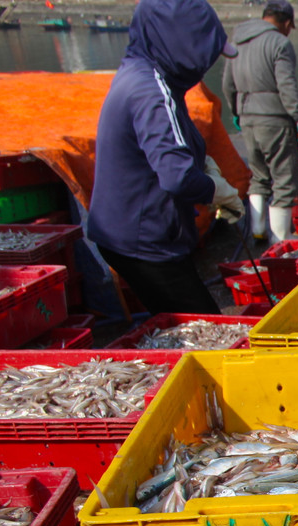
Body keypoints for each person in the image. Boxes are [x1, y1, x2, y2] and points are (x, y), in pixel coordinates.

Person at [87, 0, 240, 315]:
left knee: (177, 319)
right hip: (143, 239)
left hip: (128, 231)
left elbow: (166, 144)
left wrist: (203, 164)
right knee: (205, 328)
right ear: (185, 44)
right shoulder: (152, 91)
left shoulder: (142, 72)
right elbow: (177, 177)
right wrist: (217, 191)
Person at [223, 0, 298, 243]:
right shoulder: (279, 43)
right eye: (290, 27)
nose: (289, 31)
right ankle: (281, 237)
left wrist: (236, 112)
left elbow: (227, 84)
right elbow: (286, 86)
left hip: (247, 118)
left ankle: (258, 230)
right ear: (286, 22)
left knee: (259, 175)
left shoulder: (236, 41)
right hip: (274, 119)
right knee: (284, 176)